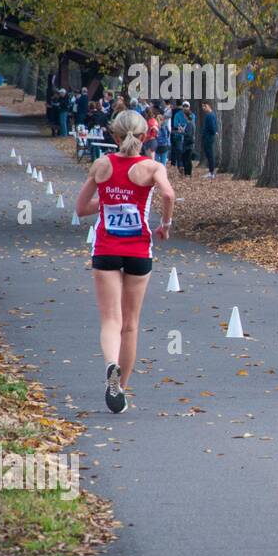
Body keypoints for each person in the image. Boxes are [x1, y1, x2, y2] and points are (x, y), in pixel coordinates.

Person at [74, 110, 176, 413]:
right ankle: (121, 387)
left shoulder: (102, 165)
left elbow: (80, 208)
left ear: (114, 136)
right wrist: (165, 226)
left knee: (110, 320)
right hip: (138, 251)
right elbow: (168, 194)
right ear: (145, 137)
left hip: (105, 248)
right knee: (130, 325)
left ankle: (110, 365)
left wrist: (107, 201)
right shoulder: (152, 167)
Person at [200, 102, 219, 178]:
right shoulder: (211, 115)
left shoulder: (210, 116)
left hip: (209, 137)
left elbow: (212, 126)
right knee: (209, 154)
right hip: (208, 136)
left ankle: (211, 172)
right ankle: (211, 171)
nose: (203, 108)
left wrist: (214, 132)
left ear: (209, 106)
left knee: (210, 154)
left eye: (204, 107)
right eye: (202, 107)